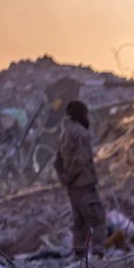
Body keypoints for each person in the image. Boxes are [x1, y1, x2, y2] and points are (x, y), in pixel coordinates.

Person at [53, 100, 106, 258]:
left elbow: (57, 161)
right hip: (83, 184)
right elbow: (81, 160)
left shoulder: (64, 133)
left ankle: (79, 257)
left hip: (72, 188)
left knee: (80, 222)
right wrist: (70, 177)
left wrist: (64, 177)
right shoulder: (81, 133)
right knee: (98, 218)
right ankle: (98, 256)